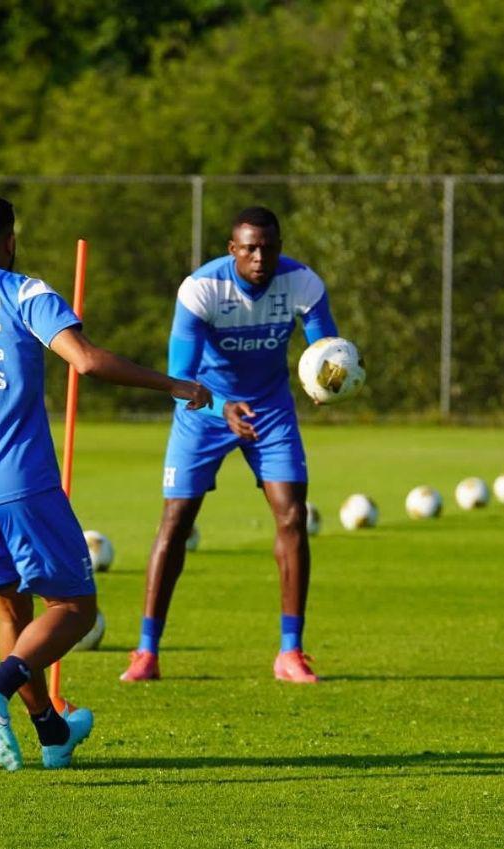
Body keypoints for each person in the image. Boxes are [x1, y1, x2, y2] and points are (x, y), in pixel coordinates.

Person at [0, 193, 211, 771]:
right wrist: (173, 385)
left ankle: (50, 732)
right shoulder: (24, 292)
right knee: (73, 608)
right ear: (10, 241)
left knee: (12, 612)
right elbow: (83, 361)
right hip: (23, 482)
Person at [120, 206, 341, 684]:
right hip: (203, 408)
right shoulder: (201, 289)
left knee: (292, 515)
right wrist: (222, 405)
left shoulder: (303, 283)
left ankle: (290, 652)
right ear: (232, 250)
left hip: (269, 408)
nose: (261, 257)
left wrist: (328, 379)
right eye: (250, 248)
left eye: (269, 247)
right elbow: (180, 376)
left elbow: (326, 348)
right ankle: (146, 651)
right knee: (175, 523)